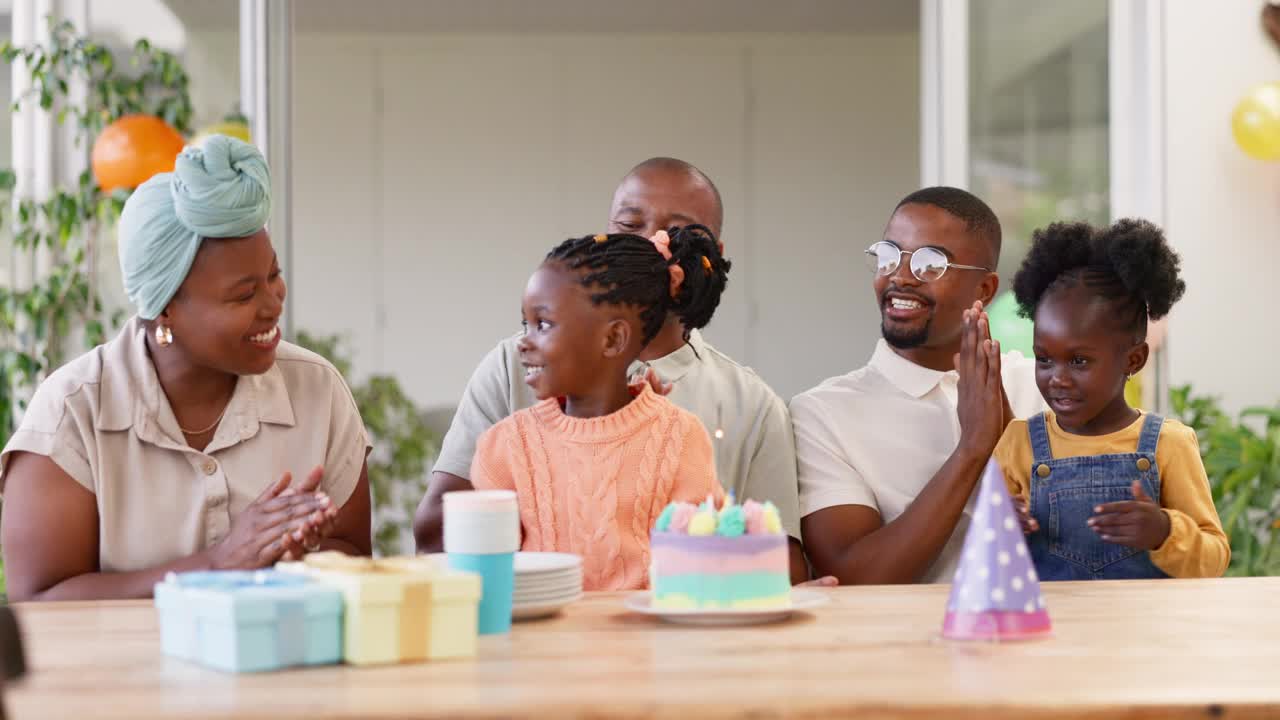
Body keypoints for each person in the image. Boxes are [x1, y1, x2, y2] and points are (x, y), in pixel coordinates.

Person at [0, 136, 372, 602]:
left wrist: (292, 554)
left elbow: (354, 554)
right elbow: (39, 603)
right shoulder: (72, 413)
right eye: (243, 294)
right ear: (165, 309)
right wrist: (217, 565)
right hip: (121, 675)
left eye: (273, 276)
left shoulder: (317, 391)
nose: (273, 303)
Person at [417, 158, 810, 583]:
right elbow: (434, 536)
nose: (651, 244)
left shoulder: (748, 406)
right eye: (630, 226)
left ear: (714, 254)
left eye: (677, 232)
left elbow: (781, 567)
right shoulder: (514, 368)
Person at [793, 187, 1044, 584]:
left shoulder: (1040, 385)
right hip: (901, 643)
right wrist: (973, 448)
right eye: (889, 256)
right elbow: (855, 579)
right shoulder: (822, 413)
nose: (901, 277)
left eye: (932, 265)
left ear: (985, 290)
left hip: (1045, 637)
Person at [471, 227, 727, 591]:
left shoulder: (681, 439)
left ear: (612, 339)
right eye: (524, 323)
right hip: (540, 645)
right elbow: (490, 584)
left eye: (543, 324)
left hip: (653, 643)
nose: (524, 343)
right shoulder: (503, 449)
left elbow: (706, 573)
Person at [995, 219, 1228, 579]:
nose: (1056, 378)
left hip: (1145, 634)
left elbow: (1214, 559)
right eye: (1044, 358)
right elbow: (990, 566)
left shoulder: (1169, 444)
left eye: (1078, 361)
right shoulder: (1017, 444)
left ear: (1133, 360)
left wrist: (1165, 532)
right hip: (1055, 632)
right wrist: (1001, 531)